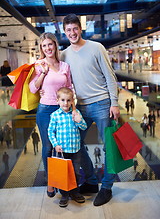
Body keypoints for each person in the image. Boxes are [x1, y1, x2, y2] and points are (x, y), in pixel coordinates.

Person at [61, 14, 120, 206]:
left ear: (81, 28)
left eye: (75, 28)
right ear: (64, 31)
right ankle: (92, 181)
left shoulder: (96, 48)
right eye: (68, 30)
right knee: (75, 142)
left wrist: (115, 103)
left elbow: (110, 76)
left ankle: (107, 188)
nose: (72, 33)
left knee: (109, 147)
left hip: (103, 103)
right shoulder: (64, 54)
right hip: (82, 107)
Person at [29, 32, 73, 198]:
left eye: (50, 44)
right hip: (46, 110)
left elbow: (69, 88)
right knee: (48, 147)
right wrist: (43, 73)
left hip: (63, 110)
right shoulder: (39, 65)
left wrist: (73, 109)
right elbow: (33, 89)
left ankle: (64, 184)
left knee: (62, 147)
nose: (47, 48)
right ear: (41, 48)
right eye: (44, 45)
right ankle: (51, 182)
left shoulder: (64, 66)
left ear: (55, 45)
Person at [48, 87, 87, 207]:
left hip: (75, 150)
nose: (66, 103)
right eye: (63, 100)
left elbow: (84, 127)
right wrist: (55, 144)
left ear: (72, 101)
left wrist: (79, 120)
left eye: (69, 100)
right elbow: (50, 131)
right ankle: (64, 195)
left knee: (76, 173)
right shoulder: (55, 115)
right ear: (58, 101)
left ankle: (75, 193)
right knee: (63, 174)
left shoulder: (76, 113)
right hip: (62, 152)